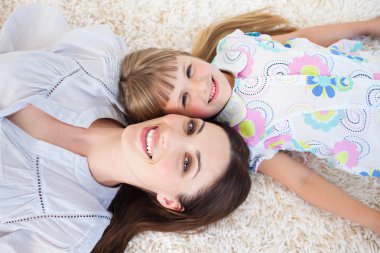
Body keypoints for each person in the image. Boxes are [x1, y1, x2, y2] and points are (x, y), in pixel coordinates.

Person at [0, 5, 252, 253]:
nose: (169, 137)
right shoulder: (100, 65)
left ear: (168, 200)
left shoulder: (70, 228)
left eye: (186, 163)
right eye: (189, 127)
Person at [119, 9, 380, 236]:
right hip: (369, 137)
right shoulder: (242, 139)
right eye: (185, 98)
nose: (200, 86)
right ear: (182, 118)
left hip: (370, 72)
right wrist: (372, 220)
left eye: (189, 71)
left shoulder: (235, 47)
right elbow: (303, 181)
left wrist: (366, 25)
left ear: (186, 56)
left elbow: (301, 38)